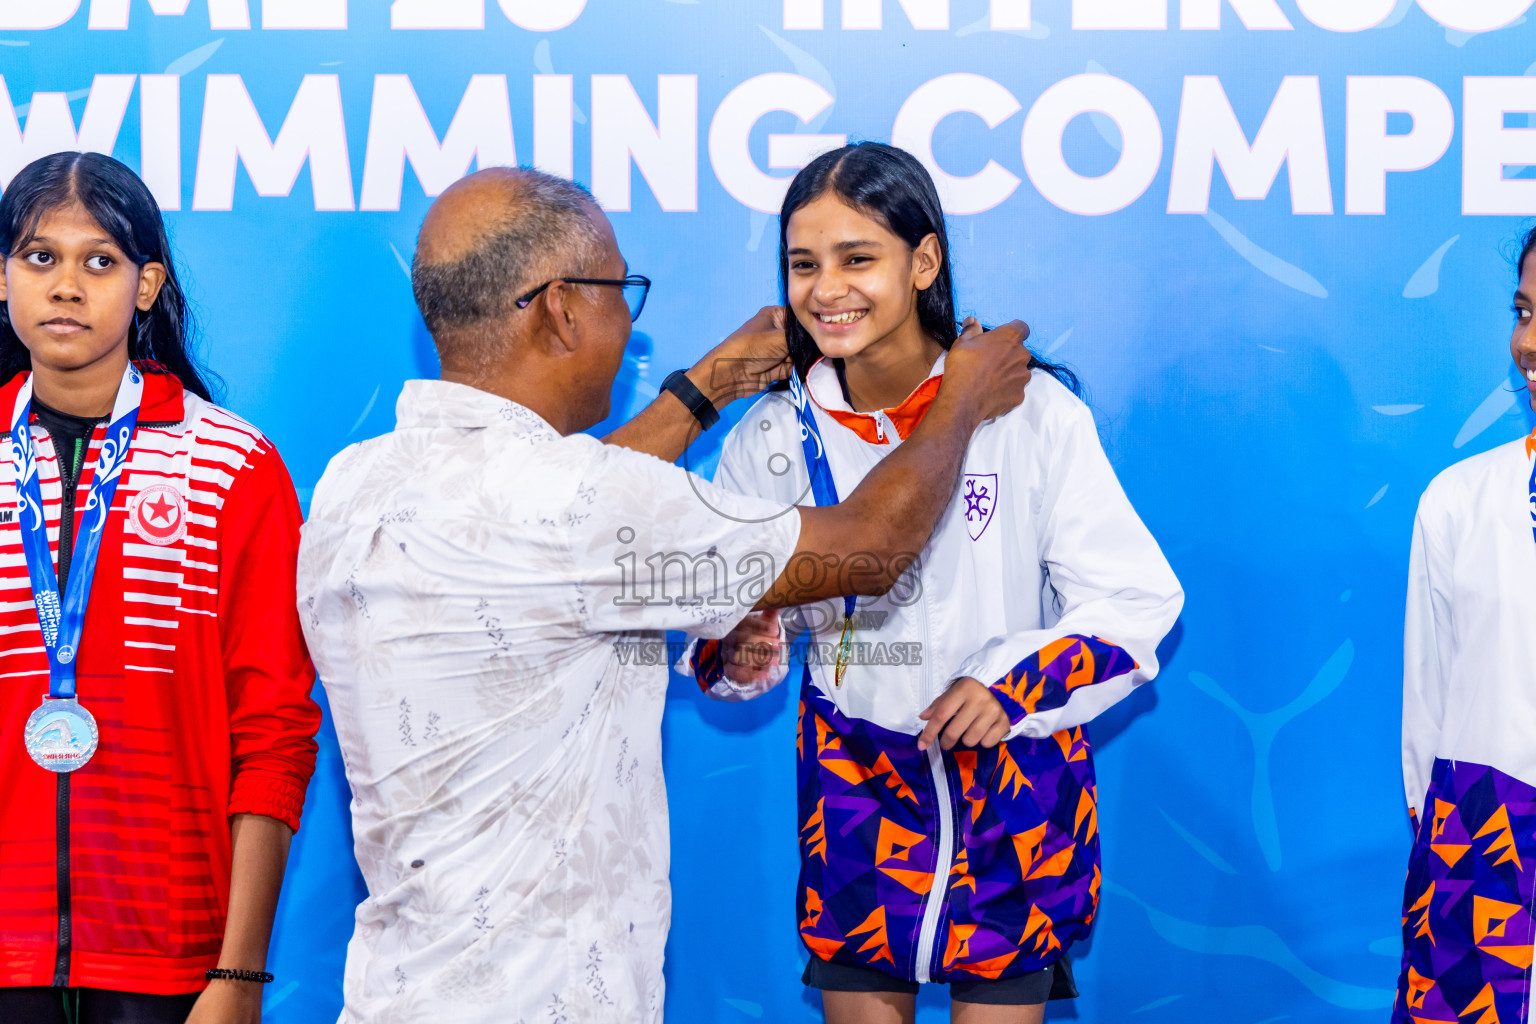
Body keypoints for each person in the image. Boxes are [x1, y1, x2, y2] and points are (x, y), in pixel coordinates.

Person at [295, 166, 1038, 1023]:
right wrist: (964, 397)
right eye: (621, 292)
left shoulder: (353, 486)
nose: (627, 322)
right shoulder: (579, 505)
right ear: (563, 307)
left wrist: (701, 390)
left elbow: (575, 517)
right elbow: (868, 551)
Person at [686, 143, 1183, 1024]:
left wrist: (1014, 681)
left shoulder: (1030, 414)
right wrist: (744, 643)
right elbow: (723, 645)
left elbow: (1138, 599)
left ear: (923, 262)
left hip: (1012, 799)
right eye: (804, 264)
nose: (827, 288)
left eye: (858, 258)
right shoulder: (771, 433)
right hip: (854, 795)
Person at [0, 152, 320, 1024]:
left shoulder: (232, 467)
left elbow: (276, 731)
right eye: (40, 257)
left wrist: (240, 975)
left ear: (145, 286)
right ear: (3, 277)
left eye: (99, 261)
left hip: (170, 961)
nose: (66, 285)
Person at [1394, 226, 1536, 1022]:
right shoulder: (1457, 502)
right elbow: (1427, 729)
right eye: (1522, 311)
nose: (1528, 342)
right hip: (1477, 875)